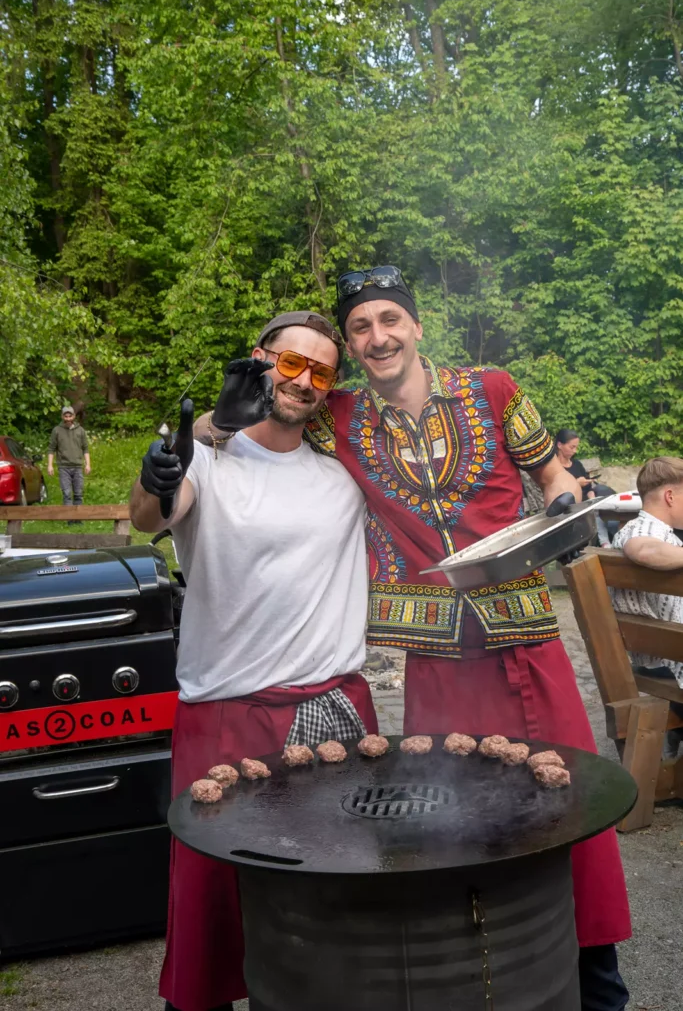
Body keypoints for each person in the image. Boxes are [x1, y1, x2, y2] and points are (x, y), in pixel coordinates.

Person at [200, 270, 632, 1010]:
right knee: (455, 823)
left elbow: (552, 473)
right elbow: (270, 407)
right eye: (361, 326)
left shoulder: (492, 390)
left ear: (417, 325)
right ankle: (483, 984)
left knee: (569, 811)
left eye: (390, 319)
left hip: (527, 638)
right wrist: (212, 424)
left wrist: (563, 509)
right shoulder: (339, 414)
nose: (378, 337)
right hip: (435, 655)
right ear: (351, 346)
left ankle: (599, 991)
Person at [132, 311, 378, 1011]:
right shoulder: (205, 460)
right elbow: (149, 515)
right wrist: (175, 456)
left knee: (329, 902)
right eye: (290, 363)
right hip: (226, 713)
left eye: (321, 372)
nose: (303, 381)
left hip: (334, 709)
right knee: (213, 905)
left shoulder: (343, 478)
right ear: (258, 359)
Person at [610, 456, 683, 759]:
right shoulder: (643, 532)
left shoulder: (636, 529)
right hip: (668, 663)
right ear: (670, 496)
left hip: (660, 655)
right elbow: (644, 548)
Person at [555, 428, 616, 546]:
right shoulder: (555, 468)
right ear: (559, 445)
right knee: (594, 512)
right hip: (570, 507)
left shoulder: (577, 464)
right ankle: (605, 543)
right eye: (572, 447)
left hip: (587, 503)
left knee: (604, 507)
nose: (575, 451)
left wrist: (591, 496)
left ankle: (610, 541)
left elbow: (588, 488)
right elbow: (557, 492)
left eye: (576, 447)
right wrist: (576, 483)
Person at [47, 405, 91, 511]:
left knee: (78, 494)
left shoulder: (80, 430)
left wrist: (88, 464)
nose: (67, 419)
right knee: (66, 494)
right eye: (65, 416)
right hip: (63, 467)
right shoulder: (57, 430)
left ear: (73, 416)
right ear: (62, 417)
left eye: (69, 416)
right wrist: (50, 465)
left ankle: (78, 517)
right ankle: (69, 517)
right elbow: (51, 449)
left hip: (77, 466)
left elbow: (85, 448)